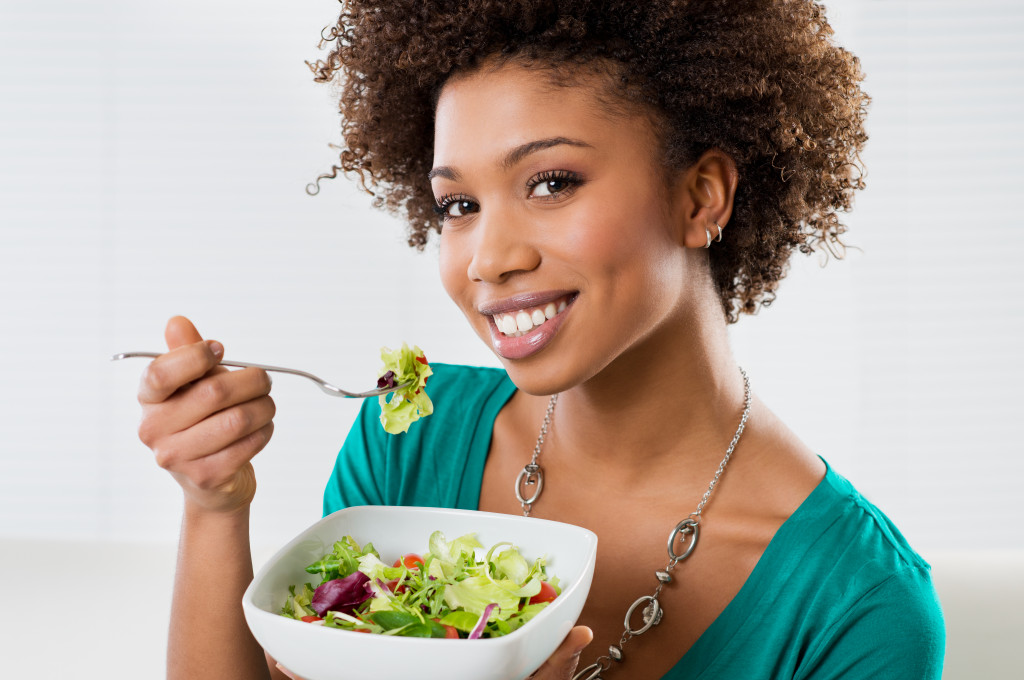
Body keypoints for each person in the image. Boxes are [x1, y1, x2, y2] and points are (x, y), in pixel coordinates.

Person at [134, 1, 945, 678]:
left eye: (550, 183)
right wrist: (214, 506)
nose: (489, 259)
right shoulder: (409, 440)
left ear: (700, 197)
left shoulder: (859, 611)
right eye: (459, 206)